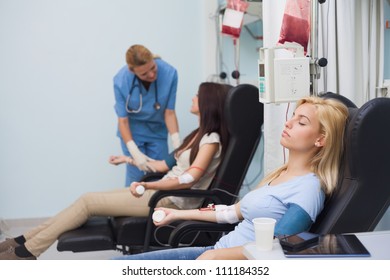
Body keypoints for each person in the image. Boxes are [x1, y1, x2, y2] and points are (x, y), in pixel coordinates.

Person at [0, 82, 231, 260]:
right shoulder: (196, 135)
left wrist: (148, 185)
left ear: (208, 103)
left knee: (89, 202)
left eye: (198, 96)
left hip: (169, 201)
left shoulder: (211, 140)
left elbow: (188, 179)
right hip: (163, 194)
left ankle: (26, 252)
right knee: (86, 199)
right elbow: (163, 166)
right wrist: (127, 159)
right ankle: (22, 241)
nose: (193, 98)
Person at [111, 96, 349, 260]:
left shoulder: (308, 189)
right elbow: (230, 213)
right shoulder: (281, 174)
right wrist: (178, 214)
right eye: (293, 116)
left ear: (321, 139)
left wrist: (215, 256)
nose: (288, 122)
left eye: (301, 121)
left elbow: (277, 246)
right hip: (216, 253)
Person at [113, 44, 180, 186]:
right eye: (144, 74)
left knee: (158, 177)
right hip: (133, 132)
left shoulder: (170, 73)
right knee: (135, 180)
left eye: (153, 68)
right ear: (132, 71)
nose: (151, 75)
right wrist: (134, 152)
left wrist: (177, 143)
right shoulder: (120, 80)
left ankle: (155, 209)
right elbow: (123, 121)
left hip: (157, 132)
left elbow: (169, 112)